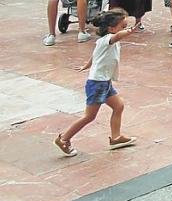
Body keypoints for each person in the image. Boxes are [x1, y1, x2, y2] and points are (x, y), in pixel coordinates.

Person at [54, 9, 137, 157]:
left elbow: (96, 56)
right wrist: (129, 31)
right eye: (122, 26)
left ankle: (116, 138)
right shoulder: (109, 39)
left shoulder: (103, 42)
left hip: (104, 82)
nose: (124, 29)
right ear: (111, 29)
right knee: (89, 116)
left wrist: (87, 65)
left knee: (118, 106)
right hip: (98, 84)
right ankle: (64, 139)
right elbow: (118, 36)